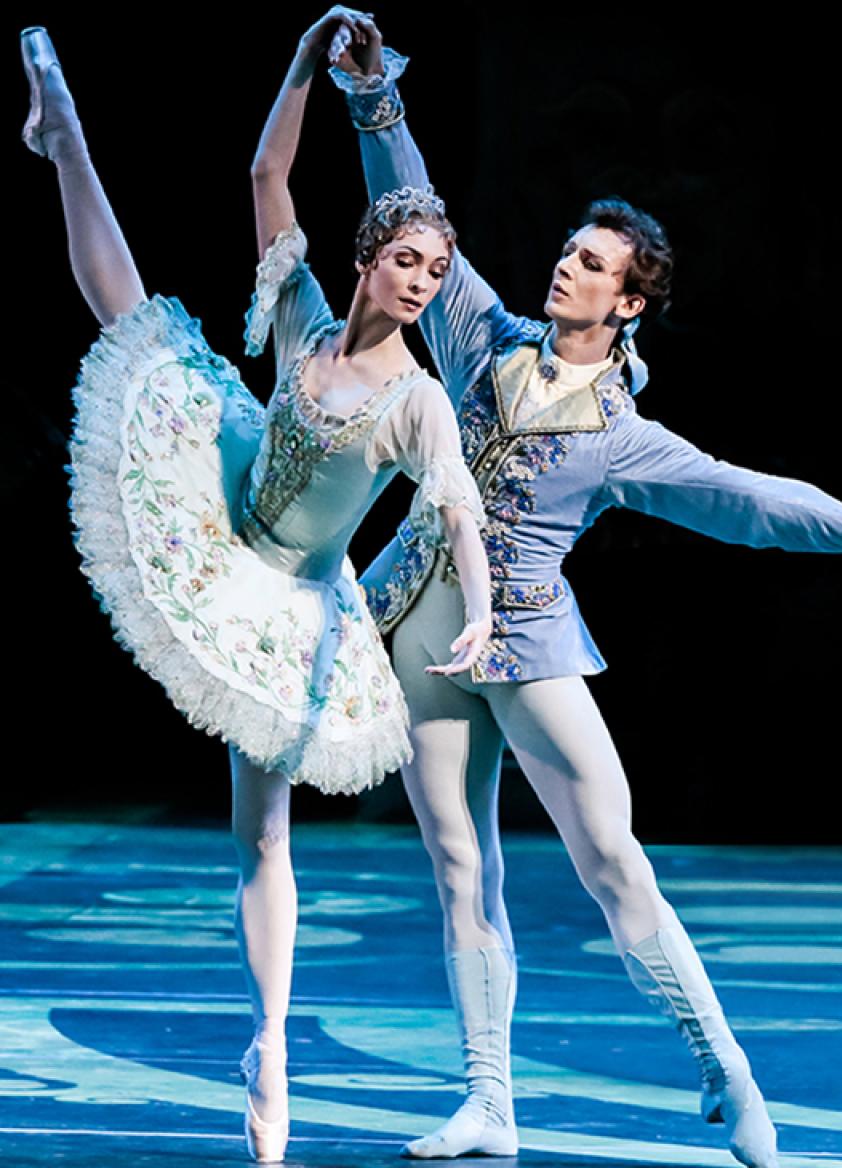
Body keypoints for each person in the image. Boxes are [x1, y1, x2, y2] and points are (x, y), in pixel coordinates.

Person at [320, 12, 842, 1168]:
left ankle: (728, 1073)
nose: (565, 264)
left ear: (627, 302)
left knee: (613, 860)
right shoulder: (483, 339)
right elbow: (415, 215)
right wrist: (375, 100)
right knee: (460, 866)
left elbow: (748, 497)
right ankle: (489, 1102)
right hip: (415, 622)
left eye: (592, 263)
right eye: (568, 250)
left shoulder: (622, 437)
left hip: (526, 641)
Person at [20, 17, 492, 1164]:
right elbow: (264, 174)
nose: (422, 283)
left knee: (262, 832)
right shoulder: (307, 320)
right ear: (369, 255)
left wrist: (480, 612)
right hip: (226, 497)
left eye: (437, 271)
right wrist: (302, 63)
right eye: (409, 261)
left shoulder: (416, 400)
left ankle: (269, 1042)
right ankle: (65, 135)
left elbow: (459, 511)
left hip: (289, 602)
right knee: (139, 328)